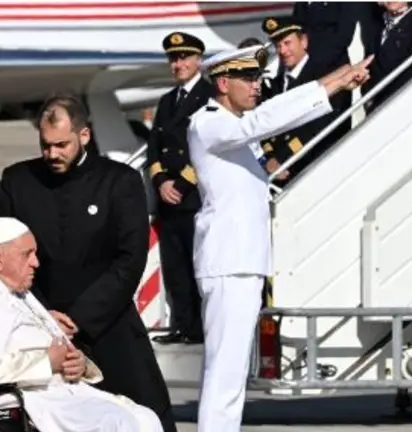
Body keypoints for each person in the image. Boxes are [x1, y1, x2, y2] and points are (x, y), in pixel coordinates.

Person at [187, 44, 372, 431]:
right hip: (229, 262)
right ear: (223, 83)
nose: (257, 85)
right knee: (225, 370)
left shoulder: (234, 127)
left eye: (258, 77)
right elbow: (263, 121)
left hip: (243, 261)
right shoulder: (210, 123)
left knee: (232, 370)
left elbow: (263, 119)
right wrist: (330, 87)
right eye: (247, 78)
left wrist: (336, 79)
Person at [0, 94, 178, 432]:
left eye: (61, 145)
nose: (52, 154)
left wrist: (79, 319)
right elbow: (8, 258)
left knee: (147, 417)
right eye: (45, 145)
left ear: (84, 135)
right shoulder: (18, 182)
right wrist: (45, 318)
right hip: (42, 327)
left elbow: (129, 260)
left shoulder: (119, 181)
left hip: (108, 323)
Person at [0, 217, 163, 432]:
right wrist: (47, 363)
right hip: (13, 401)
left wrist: (77, 364)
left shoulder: (20, 295)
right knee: (116, 422)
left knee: (145, 417)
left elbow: (55, 347)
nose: (36, 262)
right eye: (27, 254)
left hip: (52, 393)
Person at [148, 32, 213, 346]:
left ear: (198, 60)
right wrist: (161, 181)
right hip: (169, 200)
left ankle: (201, 327)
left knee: (197, 263)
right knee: (175, 267)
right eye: (174, 59)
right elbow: (154, 148)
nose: (179, 64)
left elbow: (208, 146)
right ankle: (183, 325)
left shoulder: (210, 96)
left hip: (194, 195)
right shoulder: (166, 101)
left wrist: (183, 183)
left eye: (184, 57)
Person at [259, 16, 352, 183]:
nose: (283, 51)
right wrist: (271, 158)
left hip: (316, 168)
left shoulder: (325, 75)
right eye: (278, 46)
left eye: (287, 43)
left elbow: (318, 125)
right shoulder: (275, 86)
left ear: (303, 41)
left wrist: (283, 158)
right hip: (280, 174)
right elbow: (266, 126)